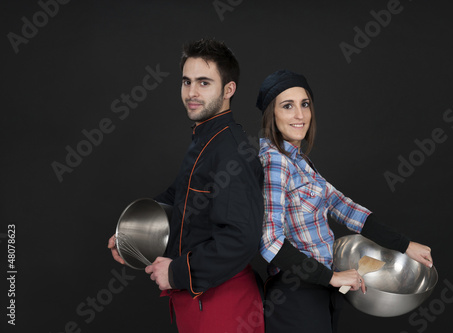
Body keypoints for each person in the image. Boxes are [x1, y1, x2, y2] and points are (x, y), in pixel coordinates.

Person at [255, 70, 433, 333]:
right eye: (287, 106)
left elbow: (346, 208)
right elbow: (270, 242)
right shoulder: (275, 162)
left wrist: (405, 245)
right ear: (272, 114)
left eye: (304, 104)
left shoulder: (300, 162)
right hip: (296, 294)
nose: (300, 115)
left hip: (319, 288)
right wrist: (332, 277)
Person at [108, 39, 265, 333]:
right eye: (186, 82)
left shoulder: (232, 152)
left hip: (224, 307)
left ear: (228, 90)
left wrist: (178, 273)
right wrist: (129, 235)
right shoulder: (205, 138)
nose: (191, 93)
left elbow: (241, 239)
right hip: (195, 302)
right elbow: (179, 196)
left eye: (204, 83)